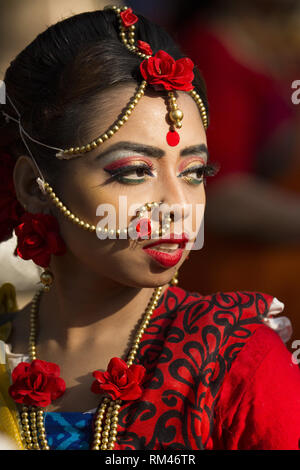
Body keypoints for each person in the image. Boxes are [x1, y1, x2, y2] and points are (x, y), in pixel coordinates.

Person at [0, 5, 299, 451]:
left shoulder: (236, 361)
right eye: (135, 171)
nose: (179, 206)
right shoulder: (5, 348)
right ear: (33, 185)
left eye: (195, 172)